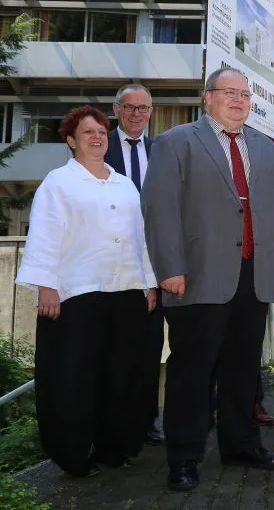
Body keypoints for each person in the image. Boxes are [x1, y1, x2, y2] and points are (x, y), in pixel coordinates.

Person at [142, 66, 274, 491]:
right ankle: (184, 457)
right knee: (192, 372)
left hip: (255, 273)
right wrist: (169, 267)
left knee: (243, 369)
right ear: (206, 97)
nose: (239, 100)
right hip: (197, 274)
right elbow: (160, 210)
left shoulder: (266, 149)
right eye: (228, 92)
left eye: (245, 94)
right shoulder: (175, 143)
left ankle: (241, 445)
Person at [17, 105, 157, 477]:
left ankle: (116, 447)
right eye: (87, 133)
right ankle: (73, 455)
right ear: (70, 141)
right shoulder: (58, 182)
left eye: (101, 132)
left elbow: (140, 237)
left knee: (122, 374)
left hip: (126, 290)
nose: (96, 137)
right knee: (72, 378)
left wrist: (148, 281)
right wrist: (46, 285)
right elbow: (44, 235)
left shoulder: (123, 183)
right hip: (76, 293)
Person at [103, 83, 166, 445]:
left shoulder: (161, 150)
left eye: (143, 108)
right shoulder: (99, 146)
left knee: (149, 346)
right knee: (114, 348)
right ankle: (116, 422)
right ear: (117, 110)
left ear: (151, 113)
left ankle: (146, 420)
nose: (136, 114)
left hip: (154, 264)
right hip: (112, 261)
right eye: (129, 108)